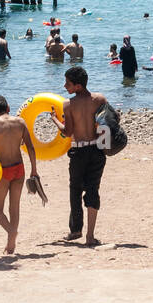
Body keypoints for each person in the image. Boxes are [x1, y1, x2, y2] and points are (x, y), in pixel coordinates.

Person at [0, 95, 39, 255]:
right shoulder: (20, 122)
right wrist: (34, 170)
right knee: (14, 207)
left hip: (3, 171)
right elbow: (30, 148)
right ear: (8, 108)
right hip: (19, 168)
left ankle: (11, 233)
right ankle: (11, 244)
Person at [53, 66, 107, 245]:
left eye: (68, 83)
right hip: (97, 150)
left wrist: (55, 121)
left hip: (78, 151)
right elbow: (110, 121)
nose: (65, 86)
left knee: (75, 190)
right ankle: (90, 236)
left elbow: (68, 132)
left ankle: (76, 230)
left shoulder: (68, 105)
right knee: (93, 190)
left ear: (77, 86)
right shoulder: (99, 99)